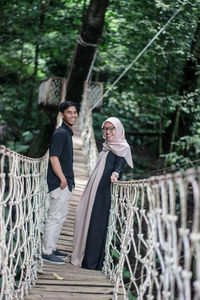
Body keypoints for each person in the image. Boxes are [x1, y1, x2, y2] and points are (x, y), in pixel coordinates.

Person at [71, 117, 133, 270]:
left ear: (118, 130)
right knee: (86, 218)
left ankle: (91, 263)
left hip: (103, 192)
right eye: (105, 129)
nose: (108, 132)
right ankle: (83, 256)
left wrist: (116, 174)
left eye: (111, 128)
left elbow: (119, 166)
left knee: (97, 225)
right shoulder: (107, 146)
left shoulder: (122, 147)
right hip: (93, 189)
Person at [42, 101, 78, 264]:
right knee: (55, 217)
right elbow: (53, 157)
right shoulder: (61, 133)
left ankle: (53, 247)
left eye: (75, 112)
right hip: (59, 183)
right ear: (62, 115)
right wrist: (62, 179)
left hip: (66, 183)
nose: (73, 115)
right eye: (69, 112)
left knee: (61, 216)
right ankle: (46, 251)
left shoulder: (67, 132)